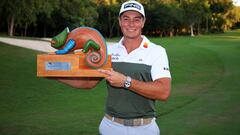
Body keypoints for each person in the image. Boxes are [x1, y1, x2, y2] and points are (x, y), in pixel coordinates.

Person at [54, 0, 171, 135]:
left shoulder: (157, 51)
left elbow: (163, 92)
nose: (131, 24)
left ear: (143, 22)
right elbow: (88, 83)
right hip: (111, 127)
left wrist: (126, 82)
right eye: (126, 19)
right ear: (120, 21)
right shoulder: (107, 51)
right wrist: (54, 74)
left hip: (144, 128)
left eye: (136, 19)